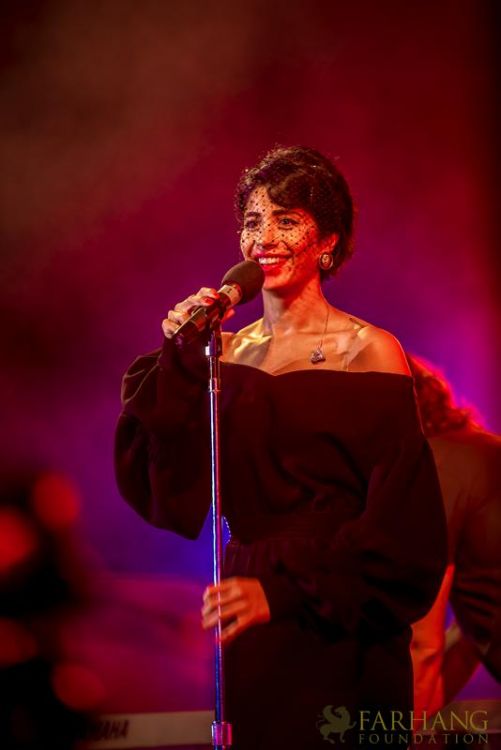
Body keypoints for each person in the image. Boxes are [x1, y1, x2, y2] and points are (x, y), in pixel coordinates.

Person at [114, 145, 447, 748]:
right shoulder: (226, 354)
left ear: (328, 242)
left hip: (342, 611)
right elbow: (168, 488)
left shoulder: (369, 350)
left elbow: (405, 526)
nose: (264, 238)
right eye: (252, 221)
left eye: (286, 220)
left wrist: (287, 593)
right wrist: (182, 358)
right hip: (249, 610)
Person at [408, 355, 501, 716]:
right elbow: (472, 636)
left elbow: (424, 645)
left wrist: (392, 733)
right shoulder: (480, 449)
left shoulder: (436, 468)